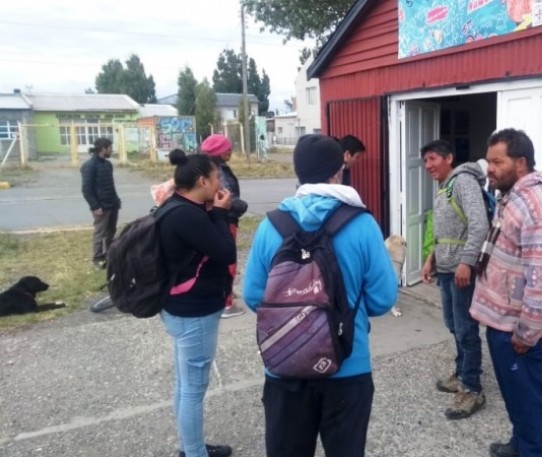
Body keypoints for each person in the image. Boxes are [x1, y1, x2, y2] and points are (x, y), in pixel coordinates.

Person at [243, 134, 397, 457]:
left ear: (298, 173)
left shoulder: (271, 226)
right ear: (338, 172)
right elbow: (383, 298)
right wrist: (341, 310)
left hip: (284, 367)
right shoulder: (363, 224)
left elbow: (253, 295)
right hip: (347, 366)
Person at [470, 129, 542, 457]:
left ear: (521, 163)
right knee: (516, 394)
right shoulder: (513, 196)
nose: (490, 169)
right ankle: (520, 445)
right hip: (503, 321)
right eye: (490, 161)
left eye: (498, 162)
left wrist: (527, 332)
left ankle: (535, 451)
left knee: (530, 397)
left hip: (518, 329)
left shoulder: (538, 204)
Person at [159, 149, 237, 457]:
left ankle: (190, 447)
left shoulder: (176, 206)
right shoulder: (187, 216)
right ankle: (193, 453)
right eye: (217, 176)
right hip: (194, 312)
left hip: (178, 306)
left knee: (184, 382)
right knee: (192, 388)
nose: (221, 181)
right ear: (203, 181)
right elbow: (225, 252)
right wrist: (220, 213)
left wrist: (214, 212)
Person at [420, 139, 490, 419]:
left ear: (449, 157)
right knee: (453, 324)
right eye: (425, 161)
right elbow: (445, 230)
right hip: (447, 269)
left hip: (462, 271)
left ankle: (472, 389)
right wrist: (430, 259)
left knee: (466, 329)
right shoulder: (445, 187)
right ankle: (462, 372)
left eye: (433, 158)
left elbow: (479, 225)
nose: (428, 165)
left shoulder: (463, 182)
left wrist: (467, 262)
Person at [200, 134, 248, 319]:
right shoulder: (218, 171)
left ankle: (225, 292)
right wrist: (241, 206)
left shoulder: (208, 168)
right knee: (228, 259)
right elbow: (225, 196)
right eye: (227, 148)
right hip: (225, 219)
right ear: (219, 152)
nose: (231, 151)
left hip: (217, 218)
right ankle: (226, 303)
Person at [80, 137, 120, 269]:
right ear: (103, 149)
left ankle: (109, 255)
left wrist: (116, 200)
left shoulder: (107, 164)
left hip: (112, 204)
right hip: (101, 207)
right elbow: (86, 189)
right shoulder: (89, 166)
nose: (112, 150)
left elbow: (111, 185)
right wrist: (95, 206)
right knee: (100, 233)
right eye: (110, 147)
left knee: (111, 233)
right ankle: (97, 259)